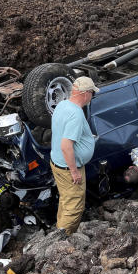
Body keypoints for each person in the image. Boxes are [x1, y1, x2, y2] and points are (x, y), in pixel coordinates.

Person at [50, 76, 99, 234]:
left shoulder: (62, 105)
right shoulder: (76, 114)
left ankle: (59, 228)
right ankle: (61, 241)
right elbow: (66, 146)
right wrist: (74, 171)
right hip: (68, 167)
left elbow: (61, 130)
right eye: (92, 93)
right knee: (74, 207)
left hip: (57, 162)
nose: (92, 97)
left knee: (66, 199)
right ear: (85, 93)